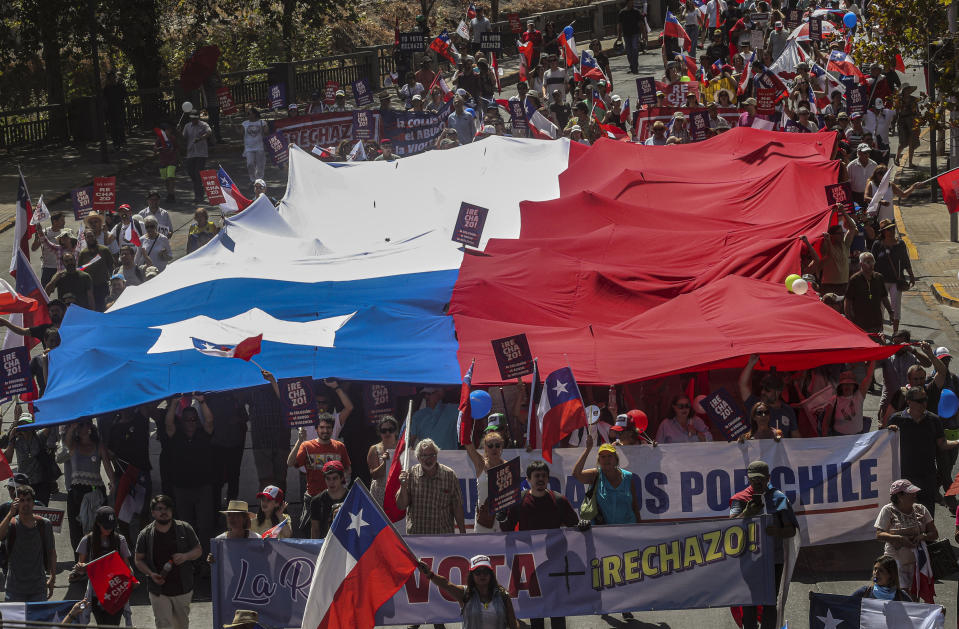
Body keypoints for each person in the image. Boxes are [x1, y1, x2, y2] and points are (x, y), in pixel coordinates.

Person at [498, 460, 584, 629]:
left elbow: (573, 525)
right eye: (536, 476)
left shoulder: (559, 500)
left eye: (544, 476)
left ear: (548, 479)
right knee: (536, 611)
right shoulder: (519, 501)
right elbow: (507, 529)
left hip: (555, 564)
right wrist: (502, 518)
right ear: (529, 479)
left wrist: (583, 525)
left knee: (557, 610)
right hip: (531, 566)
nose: (540, 479)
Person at [729, 460, 798, 629]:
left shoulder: (779, 498)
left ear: (768, 478)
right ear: (748, 478)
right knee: (749, 601)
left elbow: (791, 531)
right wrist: (747, 513)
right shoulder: (740, 499)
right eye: (753, 479)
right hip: (748, 560)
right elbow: (730, 528)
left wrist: (777, 532)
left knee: (769, 602)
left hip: (773, 560)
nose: (757, 483)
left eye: (760, 479)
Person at [887, 387, 959, 515]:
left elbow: (942, 444)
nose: (924, 403)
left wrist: (958, 441)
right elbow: (885, 444)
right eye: (919, 400)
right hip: (905, 477)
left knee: (927, 514)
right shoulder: (896, 420)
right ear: (908, 401)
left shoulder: (934, 420)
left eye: (925, 399)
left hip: (927, 477)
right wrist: (888, 432)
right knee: (905, 513)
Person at [134, 495, 202, 629]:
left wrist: (185, 556)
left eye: (167, 508)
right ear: (153, 512)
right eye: (159, 509)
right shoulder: (145, 534)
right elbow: (138, 559)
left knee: (181, 625)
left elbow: (198, 550)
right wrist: (150, 574)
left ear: (172, 511)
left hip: (183, 588)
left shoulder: (184, 528)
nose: (164, 512)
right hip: (158, 591)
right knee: (163, 624)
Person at [163, 394, 215, 556]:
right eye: (187, 420)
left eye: (194, 419)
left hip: (203, 487)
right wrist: (174, 404)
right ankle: (188, 560)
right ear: (182, 421)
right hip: (182, 488)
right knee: (185, 526)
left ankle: (206, 560)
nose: (191, 422)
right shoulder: (176, 436)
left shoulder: (203, 434)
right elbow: (168, 423)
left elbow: (210, 421)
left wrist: (202, 402)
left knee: (205, 526)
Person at [57, 419, 114, 553]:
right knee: (76, 528)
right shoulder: (73, 445)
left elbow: (107, 464)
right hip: (77, 491)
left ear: (90, 426)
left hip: (96, 491)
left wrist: (113, 482)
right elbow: (64, 447)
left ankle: (97, 556)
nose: (82, 427)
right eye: (80, 425)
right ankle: (79, 560)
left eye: (85, 424)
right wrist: (72, 427)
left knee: (98, 527)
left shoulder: (98, 445)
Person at [416, 555, 520, 629]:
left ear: (491, 574)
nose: (482, 575)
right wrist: (429, 574)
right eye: (478, 572)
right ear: (472, 575)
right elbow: (446, 584)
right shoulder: (465, 594)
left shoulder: (503, 595)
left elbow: (513, 624)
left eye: (486, 572)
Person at [288, 415, 351, 535]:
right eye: (321, 427)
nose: (325, 430)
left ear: (332, 429)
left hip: (335, 499)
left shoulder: (339, 446)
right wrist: (299, 440)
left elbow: (348, 468)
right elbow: (290, 463)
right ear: (316, 429)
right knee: (311, 533)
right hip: (313, 498)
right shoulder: (306, 446)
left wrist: (344, 484)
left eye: (328, 427)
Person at [875, 479, 937, 600]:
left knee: (914, 598)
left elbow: (934, 533)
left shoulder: (921, 509)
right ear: (899, 496)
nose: (915, 495)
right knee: (901, 597)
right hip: (895, 562)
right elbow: (879, 535)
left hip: (917, 562)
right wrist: (900, 539)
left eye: (914, 492)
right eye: (911, 493)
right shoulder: (888, 510)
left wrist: (923, 536)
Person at [75, 506, 135, 625]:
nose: (109, 530)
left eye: (111, 527)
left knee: (113, 624)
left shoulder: (120, 540)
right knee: (102, 624)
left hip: (116, 590)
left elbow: (127, 566)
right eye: (105, 527)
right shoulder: (87, 540)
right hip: (96, 592)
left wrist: (130, 577)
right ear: (97, 524)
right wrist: (80, 567)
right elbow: (81, 568)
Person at [396, 438, 465, 535]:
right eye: (424, 455)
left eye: (432, 455)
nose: (429, 459)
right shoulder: (410, 475)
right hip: (417, 537)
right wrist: (403, 487)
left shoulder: (449, 475)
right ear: (418, 458)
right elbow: (401, 506)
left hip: (443, 537)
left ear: (437, 455)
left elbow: (457, 506)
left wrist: (463, 534)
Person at [0, 485, 56, 602]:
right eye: (21, 500)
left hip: (38, 588)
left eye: (28, 500)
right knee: (14, 621)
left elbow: (51, 552)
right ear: (16, 503)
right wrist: (10, 513)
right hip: (14, 589)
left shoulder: (44, 524)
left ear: (33, 502)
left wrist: (52, 577)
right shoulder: (11, 524)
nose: (25, 504)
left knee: (37, 620)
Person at [573, 436, 641, 525]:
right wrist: (587, 450)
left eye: (610, 456)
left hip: (628, 530)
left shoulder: (628, 476)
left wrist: (640, 529)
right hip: (603, 532)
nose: (606, 459)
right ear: (599, 460)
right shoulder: (595, 475)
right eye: (603, 456)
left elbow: (635, 507)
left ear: (616, 459)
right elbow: (576, 475)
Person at [739, 354, 801, 438]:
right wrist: (751, 364)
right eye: (763, 388)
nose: (763, 392)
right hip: (758, 451)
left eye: (767, 390)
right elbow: (742, 385)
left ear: (778, 392)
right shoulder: (756, 406)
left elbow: (796, 436)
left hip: (780, 451)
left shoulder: (788, 410)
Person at [871, 219, 915, 335]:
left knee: (896, 307)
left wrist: (911, 275)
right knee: (880, 307)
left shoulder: (900, 244)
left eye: (893, 229)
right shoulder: (877, 245)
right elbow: (872, 263)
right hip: (880, 282)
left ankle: (895, 333)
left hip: (896, 281)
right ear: (883, 232)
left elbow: (906, 261)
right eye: (889, 229)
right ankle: (880, 331)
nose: (892, 231)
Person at [466, 429, 508, 534]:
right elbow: (467, 444)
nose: (494, 448)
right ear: (485, 448)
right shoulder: (481, 464)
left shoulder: (509, 466)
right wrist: (464, 421)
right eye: (490, 446)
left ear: (501, 447)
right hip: (484, 519)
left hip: (503, 519)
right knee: (481, 550)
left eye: (497, 445)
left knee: (501, 550)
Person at [845, 251, 894, 334]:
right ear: (861, 264)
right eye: (868, 262)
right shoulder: (854, 280)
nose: (871, 264)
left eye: (872, 262)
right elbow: (848, 301)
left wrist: (890, 312)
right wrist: (849, 319)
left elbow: (884, 297)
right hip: (860, 323)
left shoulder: (879, 278)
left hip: (876, 322)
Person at [819, 206, 857, 295]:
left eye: (842, 233)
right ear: (831, 235)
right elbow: (825, 231)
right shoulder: (826, 245)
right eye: (839, 234)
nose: (842, 235)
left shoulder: (845, 244)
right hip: (829, 286)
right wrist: (831, 214)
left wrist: (843, 212)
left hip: (844, 285)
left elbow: (852, 227)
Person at [309, 461, 349, 539]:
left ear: (342, 478)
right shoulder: (316, 501)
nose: (331, 482)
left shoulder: (353, 498)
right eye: (328, 478)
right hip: (326, 545)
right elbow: (315, 530)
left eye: (335, 478)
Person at [77, 228, 113, 311]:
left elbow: (111, 266)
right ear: (85, 238)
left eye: (92, 236)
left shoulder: (104, 250)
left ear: (95, 237)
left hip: (103, 286)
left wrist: (111, 281)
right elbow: (80, 269)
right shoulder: (83, 253)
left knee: (105, 308)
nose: (90, 238)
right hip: (89, 288)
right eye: (88, 237)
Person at [367, 415, 398, 507]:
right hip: (380, 492)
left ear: (396, 431)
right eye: (384, 431)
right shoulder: (374, 449)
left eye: (390, 430)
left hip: (398, 491)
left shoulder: (403, 448)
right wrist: (385, 463)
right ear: (380, 433)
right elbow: (374, 475)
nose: (387, 433)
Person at [181, 112, 212, 203]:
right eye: (192, 119)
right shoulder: (187, 126)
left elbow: (209, 132)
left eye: (195, 118)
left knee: (197, 173)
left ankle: (198, 196)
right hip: (190, 153)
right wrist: (178, 132)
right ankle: (200, 189)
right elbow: (183, 137)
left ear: (198, 118)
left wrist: (201, 138)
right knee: (191, 173)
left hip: (201, 153)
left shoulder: (203, 125)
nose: (193, 120)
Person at [32, 212, 66, 285]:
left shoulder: (65, 233)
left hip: (62, 267)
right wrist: (36, 238)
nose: (64, 222)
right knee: (45, 291)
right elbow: (34, 248)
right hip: (47, 267)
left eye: (64, 220)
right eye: (62, 220)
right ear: (55, 221)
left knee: (63, 292)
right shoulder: (44, 232)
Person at [153, 122, 180, 202]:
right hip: (163, 162)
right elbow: (155, 149)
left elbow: (177, 148)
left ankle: (171, 194)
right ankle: (169, 193)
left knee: (170, 177)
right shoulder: (159, 139)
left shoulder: (172, 138)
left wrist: (178, 159)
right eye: (167, 130)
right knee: (166, 179)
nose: (169, 132)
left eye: (169, 130)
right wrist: (156, 149)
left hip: (172, 161)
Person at [242, 108, 268, 185]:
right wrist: (234, 127)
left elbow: (266, 132)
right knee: (250, 164)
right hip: (249, 148)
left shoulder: (262, 122)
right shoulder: (245, 123)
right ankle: (252, 179)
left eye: (249, 113)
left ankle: (259, 179)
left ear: (255, 114)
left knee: (260, 165)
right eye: (247, 114)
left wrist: (266, 126)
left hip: (260, 147)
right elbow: (241, 132)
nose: (248, 115)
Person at [895, 85, 920, 168]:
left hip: (912, 122)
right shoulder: (899, 100)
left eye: (909, 89)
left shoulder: (913, 99)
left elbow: (917, 111)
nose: (908, 91)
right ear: (904, 90)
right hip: (902, 123)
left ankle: (910, 162)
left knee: (911, 143)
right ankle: (897, 157)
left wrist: (918, 121)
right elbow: (896, 111)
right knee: (903, 143)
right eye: (907, 89)